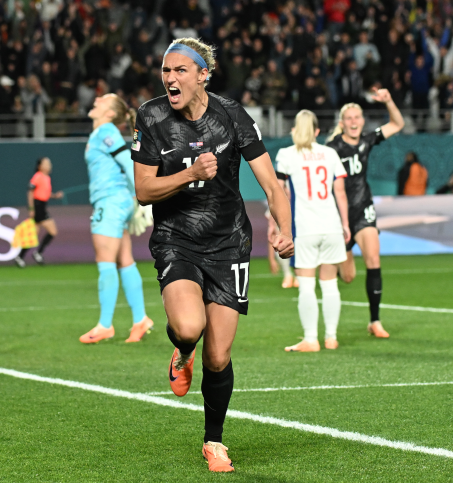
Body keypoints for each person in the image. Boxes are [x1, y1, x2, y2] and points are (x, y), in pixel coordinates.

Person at [132, 38, 293, 473]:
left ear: (204, 74)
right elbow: (144, 190)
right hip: (176, 238)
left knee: (218, 357)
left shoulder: (233, 116)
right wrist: (189, 174)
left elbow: (272, 184)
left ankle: (214, 442)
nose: (170, 79)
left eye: (180, 70)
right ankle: (181, 352)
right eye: (166, 71)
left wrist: (284, 228)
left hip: (228, 242)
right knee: (188, 327)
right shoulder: (150, 116)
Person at [326, 90, 405, 339]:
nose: (353, 121)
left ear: (362, 121)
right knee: (348, 277)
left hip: (364, 209)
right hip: (340, 215)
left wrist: (389, 100)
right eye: (348, 118)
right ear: (342, 123)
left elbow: (397, 124)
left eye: (357, 117)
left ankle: (375, 321)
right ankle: (339, 262)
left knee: (373, 259)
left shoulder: (368, 140)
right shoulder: (331, 149)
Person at [78, 94, 155, 344]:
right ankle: (140, 319)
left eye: (104, 99)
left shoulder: (105, 131)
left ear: (110, 113)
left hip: (110, 200)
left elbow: (127, 160)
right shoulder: (102, 132)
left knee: (105, 261)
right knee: (125, 261)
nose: (97, 98)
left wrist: (142, 197)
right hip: (118, 199)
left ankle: (105, 325)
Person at [275, 110, 351, 352]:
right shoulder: (330, 153)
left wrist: (276, 226)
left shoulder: (286, 155)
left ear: (295, 129)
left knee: (306, 285)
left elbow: (279, 193)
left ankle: (311, 339)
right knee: (329, 284)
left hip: (306, 228)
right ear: (318, 131)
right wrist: (346, 224)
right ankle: (331, 337)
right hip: (332, 226)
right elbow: (340, 192)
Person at [14, 157, 63, 268]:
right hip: (38, 206)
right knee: (52, 231)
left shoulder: (47, 178)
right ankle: (38, 253)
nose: (49, 165)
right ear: (40, 166)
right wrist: (31, 209)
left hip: (42, 205)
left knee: (34, 234)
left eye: (49, 163)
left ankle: (21, 257)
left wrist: (55, 196)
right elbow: (30, 192)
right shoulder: (37, 177)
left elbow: (46, 193)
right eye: (46, 163)